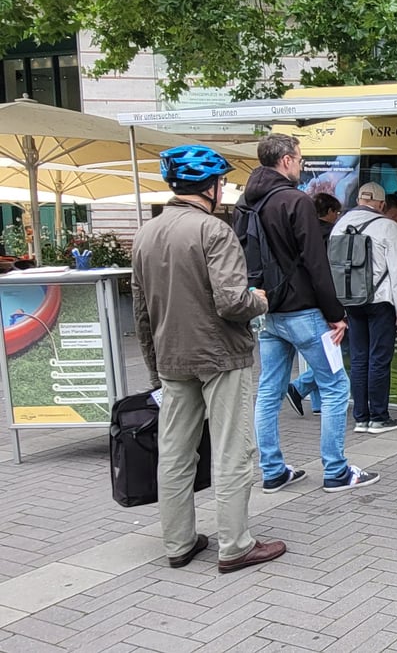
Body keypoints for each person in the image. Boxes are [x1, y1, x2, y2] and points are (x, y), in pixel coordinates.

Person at [132, 144, 286, 573]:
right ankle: (236, 545)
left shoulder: (146, 233)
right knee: (233, 451)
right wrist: (259, 300)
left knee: (176, 454)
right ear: (212, 187)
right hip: (221, 356)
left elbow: (141, 311)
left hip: (171, 358)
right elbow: (232, 301)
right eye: (222, 184)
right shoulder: (214, 231)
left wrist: (153, 367)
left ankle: (178, 542)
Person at [240, 133, 379, 493]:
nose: (301, 165)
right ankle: (336, 470)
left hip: (267, 311)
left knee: (268, 390)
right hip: (303, 311)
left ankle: (272, 470)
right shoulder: (295, 201)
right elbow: (316, 263)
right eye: (299, 159)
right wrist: (336, 313)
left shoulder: (247, 202)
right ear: (286, 160)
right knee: (336, 386)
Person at [333, 182, 397, 434]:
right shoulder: (388, 226)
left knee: (358, 359)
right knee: (379, 358)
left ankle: (360, 417)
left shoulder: (339, 226)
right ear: (380, 203)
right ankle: (379, 417)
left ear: (358, 199)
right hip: (380, 301)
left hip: (351, 301)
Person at [284, 192, 342, 417]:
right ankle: (300, 387)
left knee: (319, 354)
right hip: (322, 303)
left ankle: (315, 402)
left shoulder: (301, 230)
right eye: (335, 212)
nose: (337, 216)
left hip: (297, 301)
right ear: (327, 212)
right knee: (332, 355)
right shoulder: (330, 234)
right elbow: (324, 271)